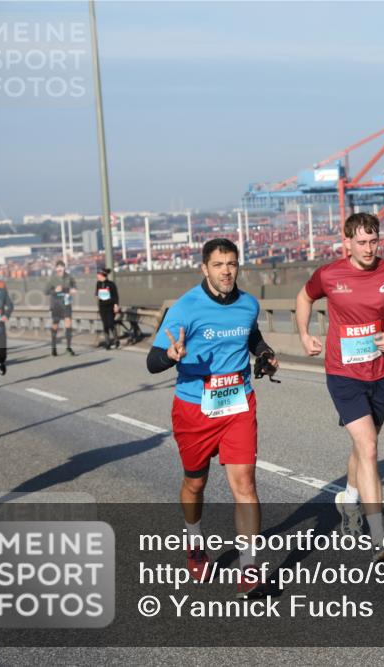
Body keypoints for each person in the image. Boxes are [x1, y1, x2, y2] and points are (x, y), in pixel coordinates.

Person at [147, 238, 278, 597]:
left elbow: (253, 337)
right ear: (204, 268)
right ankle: (193, 542)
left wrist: (265, 353)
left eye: (232, 264)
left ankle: (249, 567)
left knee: (245, 486)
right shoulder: (185, 308)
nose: (226, 271)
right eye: (218, 265)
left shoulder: (248, 305)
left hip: (238, 402)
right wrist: (170, 356)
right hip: (195, 407)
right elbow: (152, 361)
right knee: (195, 484)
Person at [295, 212, 384, 561]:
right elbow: (304, 298)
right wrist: (305, 334)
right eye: (361, 242)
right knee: (368, 446)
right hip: (342, 373)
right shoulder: (330, 275)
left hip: (378, 373)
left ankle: (348, 498)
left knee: (367, 443)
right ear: (346, 242)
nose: (368, 248)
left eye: (373, 241)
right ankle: (379, 534)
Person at [45, 260, 77, 356]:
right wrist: (54, 290)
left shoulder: (69, 277)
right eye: (58, 269)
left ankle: (68, 347)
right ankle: (54, 346)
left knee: (68, 324)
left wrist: (72, 290)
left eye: (61, 269)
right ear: (56, 269)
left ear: (64, 268)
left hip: (67, 304)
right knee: (55, 325)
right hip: (56, 305)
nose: (60, 271)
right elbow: (46, 291)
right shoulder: (52, 279)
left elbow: (74, 288)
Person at [95, 267, 120, 349]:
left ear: (102, 275)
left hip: (110, 306)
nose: (97, 275)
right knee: (105, 325)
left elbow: (116, 296)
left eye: (98, 274)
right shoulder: (98, 284)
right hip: (102, 307)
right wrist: (97, 296)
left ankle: (116, 339)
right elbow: (96, 293)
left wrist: (116, 305)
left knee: (110, 323)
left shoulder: (111, 284)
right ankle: (107, 342)